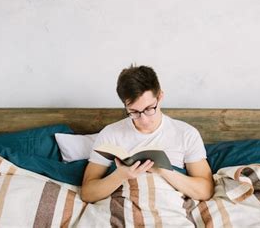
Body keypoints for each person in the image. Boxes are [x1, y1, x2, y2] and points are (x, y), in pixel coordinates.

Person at [81, 65, 214, 203]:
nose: (143, 119)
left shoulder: (186, 134)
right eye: (134, 112)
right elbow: (87, 193)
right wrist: (120, 175)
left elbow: (206, 191)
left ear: (160, 96)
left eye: (149, 108)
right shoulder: (110, 134)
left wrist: (163, 171)